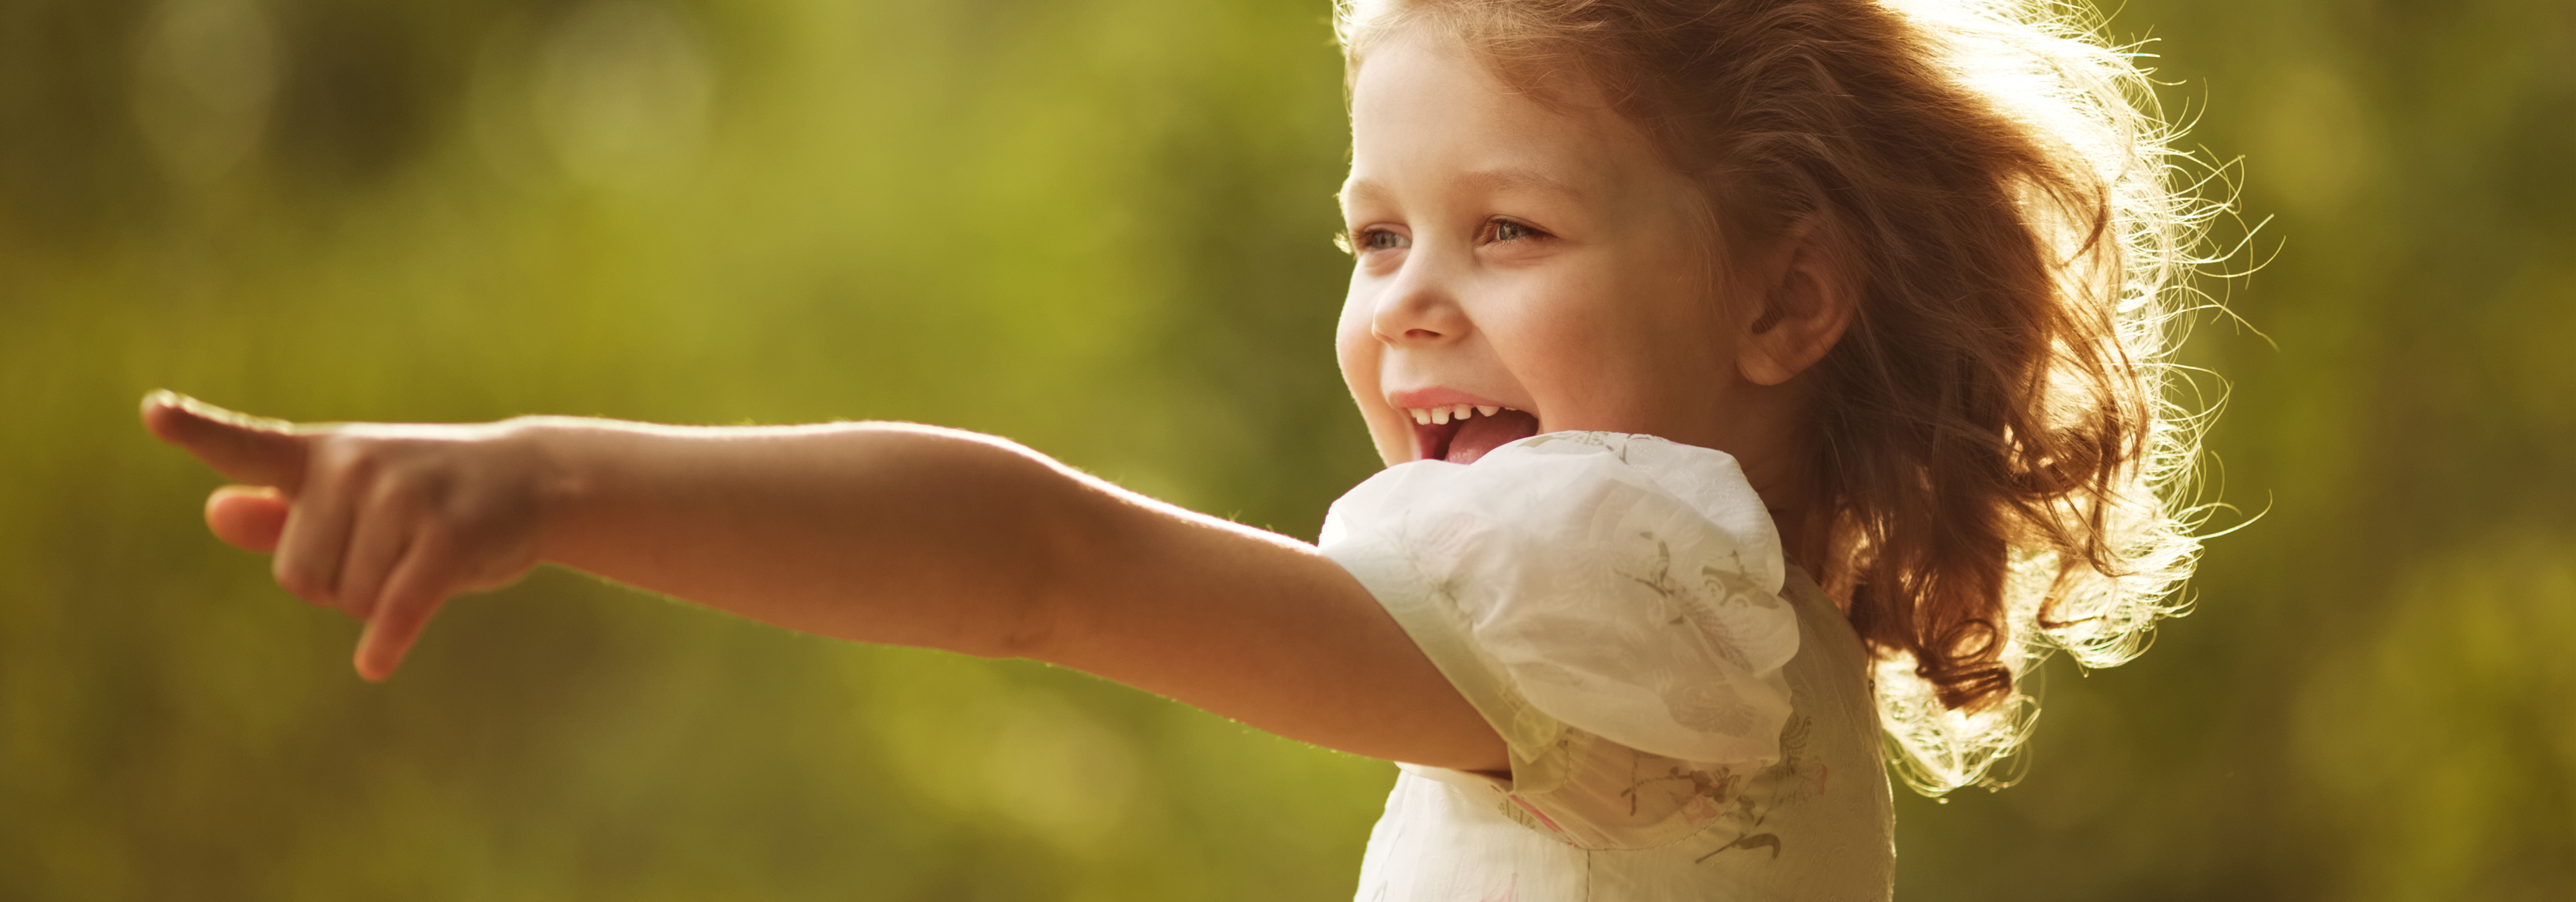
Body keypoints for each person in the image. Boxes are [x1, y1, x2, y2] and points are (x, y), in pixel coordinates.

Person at [143, 0, 2219, 896]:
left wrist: (554, 480)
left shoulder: (1623, 570)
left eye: (1510, 232)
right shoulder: (1736, 629)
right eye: (1376, 238)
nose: (1412, 303)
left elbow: (1043, 568)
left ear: (1782, 300)